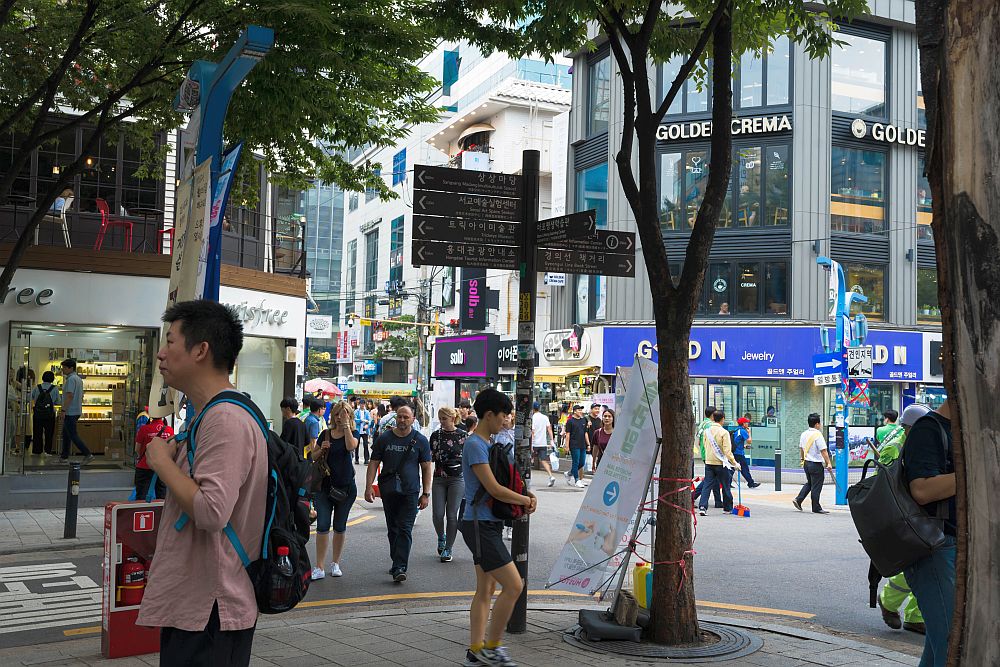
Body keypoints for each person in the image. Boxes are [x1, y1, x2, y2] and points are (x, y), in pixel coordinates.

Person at [137, 300, 267, 666]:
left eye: (170, 342)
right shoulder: (211, 414)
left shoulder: (224, 419)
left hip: (212, 608)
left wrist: (161, 462)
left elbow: (212, 512)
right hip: (200, 604)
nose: (161, 354)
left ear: (200, 350)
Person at [458, 388, 537, 667]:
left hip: (482, 523)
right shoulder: (476, 445)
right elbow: (493, 489)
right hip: (479, 525)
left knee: (486, 589)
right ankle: (491, 648)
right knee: (515, 585)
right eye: (503, 415)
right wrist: (525, 499)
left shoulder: (486, 443)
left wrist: (525, 495)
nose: (506, 421)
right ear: (488, 415)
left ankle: (476, 650)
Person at [902, 399, 956, 666]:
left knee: (939, 648)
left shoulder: (960, 432)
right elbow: (921, 490)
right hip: (934, 548)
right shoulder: (929, 428)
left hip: (952, 546)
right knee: (952, 644)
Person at [876, 403, 931, 635]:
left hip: (917, 511)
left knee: (928, 562)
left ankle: (915, 615)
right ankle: (890, 602)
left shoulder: (902, 439)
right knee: (917, 561)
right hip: (907, 514)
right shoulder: (900, 445)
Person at [364, 405, 432, 582]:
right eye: (399, 417)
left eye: (406, 417)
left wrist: (426, 493)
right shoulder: (384, 438)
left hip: (410, 491)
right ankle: (397, 562)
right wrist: (368, 486)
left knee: (405, 528)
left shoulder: (420, 440)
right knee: (392, 528)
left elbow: (426, 467)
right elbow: (373, 462)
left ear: (413, 419)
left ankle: (400, 566)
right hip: (389, 490)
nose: (402, 420)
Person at [310, 400, 359, 580]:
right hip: (324, 487)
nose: (340, 417)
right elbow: (313, 456)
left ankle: (335, 563)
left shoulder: (353, 432)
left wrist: (346, 426)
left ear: (349, 416)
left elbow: (350, 446)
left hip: (346, 488)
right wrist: (321, 449)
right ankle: (319, 566)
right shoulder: (325, 434)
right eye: (337, 414)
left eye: (344, 414)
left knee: (339, 526)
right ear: (333, 416)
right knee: (322, 525)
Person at [429, 406, 466, 563]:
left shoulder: (463, 436)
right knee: (438, 514)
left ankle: (448, 548)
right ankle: (441, 537)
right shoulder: (435, 435)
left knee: (452, 515)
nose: (442, 422)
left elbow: (468, 459)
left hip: (457, 478)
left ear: (452, 418)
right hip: (439, 477)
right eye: (440, 418)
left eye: (444, 418)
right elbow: (430, 456)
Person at [698, 410, 737, 515]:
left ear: (713, 418)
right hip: (721, 463)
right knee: (725, 485)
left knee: (707, 485)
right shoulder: (724, 432)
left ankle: (702, 506)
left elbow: (705, 446)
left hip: (709, 462)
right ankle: (728, 508)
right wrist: (735, 463)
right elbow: (727, 451)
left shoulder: (707, 431)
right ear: (723, 419)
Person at [792, 413, 832, 514]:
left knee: (810, 483)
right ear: (817, 424)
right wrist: (829, 463)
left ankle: (798, 500)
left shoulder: (804, 434)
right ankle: (816, 507)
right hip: (816, 464)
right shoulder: (817, 435)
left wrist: (802, 459)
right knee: (816, 485)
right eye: (820, 423)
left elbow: (801, 448)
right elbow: (823, 451)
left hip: (806, 463)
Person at [59, 359, 93, 464]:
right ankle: (64, 456)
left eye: (64, 367)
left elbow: (69, 395)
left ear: (71, 368)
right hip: (76, 410)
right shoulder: (78, 379)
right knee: (66, 433)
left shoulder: (71, 379)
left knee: (72, 434)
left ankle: (88, 454)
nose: (63, 370)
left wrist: (63, 410)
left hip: (70, 411)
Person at [134, 416, 174, 500]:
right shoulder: (169, 430)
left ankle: (142, 512)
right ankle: (160, 513)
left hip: (144, 466)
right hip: (163, 467)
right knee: (162, 495)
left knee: (142, 495)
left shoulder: (144, 429)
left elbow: (137, 449)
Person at [692, 406, 723, 508]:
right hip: (712, 454)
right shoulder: (710, 425)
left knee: (714, 479)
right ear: (712, 414)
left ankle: (718, 501)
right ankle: (693, 496)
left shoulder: (702, 423)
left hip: (705, 453)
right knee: (710, 479)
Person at [30, 371, 60, 456]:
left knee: (37, 432)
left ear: (43, 377)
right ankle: (47, 451)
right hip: (49, 414)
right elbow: (58, 401)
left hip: (37, 413)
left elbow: (31, 397)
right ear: (52, 378)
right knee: (49, 433)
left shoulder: (37, 387)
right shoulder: (55, 388)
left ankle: (37, 451)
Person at [562, 404, 589, 488]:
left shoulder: (584, 420)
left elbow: (585, 433)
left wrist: (588, 444)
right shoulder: (570, 421)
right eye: (579, 410)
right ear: (574, 411)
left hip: (582, 444)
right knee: (576, 462)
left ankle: (569, 473)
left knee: (582, 462)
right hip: (574, 444)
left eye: (581, 410)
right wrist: (567, 446)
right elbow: (568, 434)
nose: (581, 411)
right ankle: (577, 480)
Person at [530, 402, 555, 487]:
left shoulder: (532, 418)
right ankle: (551, 476)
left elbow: (532, 431)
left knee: (529, 459)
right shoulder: (545, 417)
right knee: (543, 460)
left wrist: (531, 443)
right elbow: (549, 429)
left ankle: (528, 478)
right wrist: (552, 440)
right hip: (543, 443)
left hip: (534, 443)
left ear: (532, 409)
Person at [733, 417, 760, 488]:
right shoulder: (743, 431)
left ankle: (727, 483)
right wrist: (749, 432)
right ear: (743, 424)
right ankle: (751, 483)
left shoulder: (737, 430)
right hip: (739, 453)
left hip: (734, 451)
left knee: (732, 468)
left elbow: (737, 441)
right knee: (744, 468)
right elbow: (749, 441)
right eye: (746, 422)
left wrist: (743, 446)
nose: (748, 424)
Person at [353, 398, 372, 464]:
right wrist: (362, 420)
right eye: (361, 404)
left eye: (363, 404)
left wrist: (367, 425)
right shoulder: (356, 411)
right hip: (357, 430)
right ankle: (356, 459)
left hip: (365, 431)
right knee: (356, 445)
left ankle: (366, 459)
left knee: (365, 445)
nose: (362, 405)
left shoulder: (367, 412)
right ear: (359, 404)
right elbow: (355, 420)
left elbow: (370, 421)